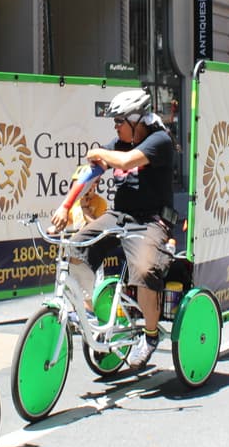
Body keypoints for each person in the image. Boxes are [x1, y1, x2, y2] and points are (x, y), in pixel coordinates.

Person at [50, 89, 175, 370]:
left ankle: (150, 335)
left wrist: (99, 151)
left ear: (136, 120)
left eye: (119, 121)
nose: (116, 127)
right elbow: (92, 171)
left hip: (151, 221)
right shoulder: (120, 141)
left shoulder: (160, 140)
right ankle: (91, 311)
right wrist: (65, 206)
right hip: (120, 215)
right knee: (75, 247)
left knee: (143, 272)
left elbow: (126, 161)